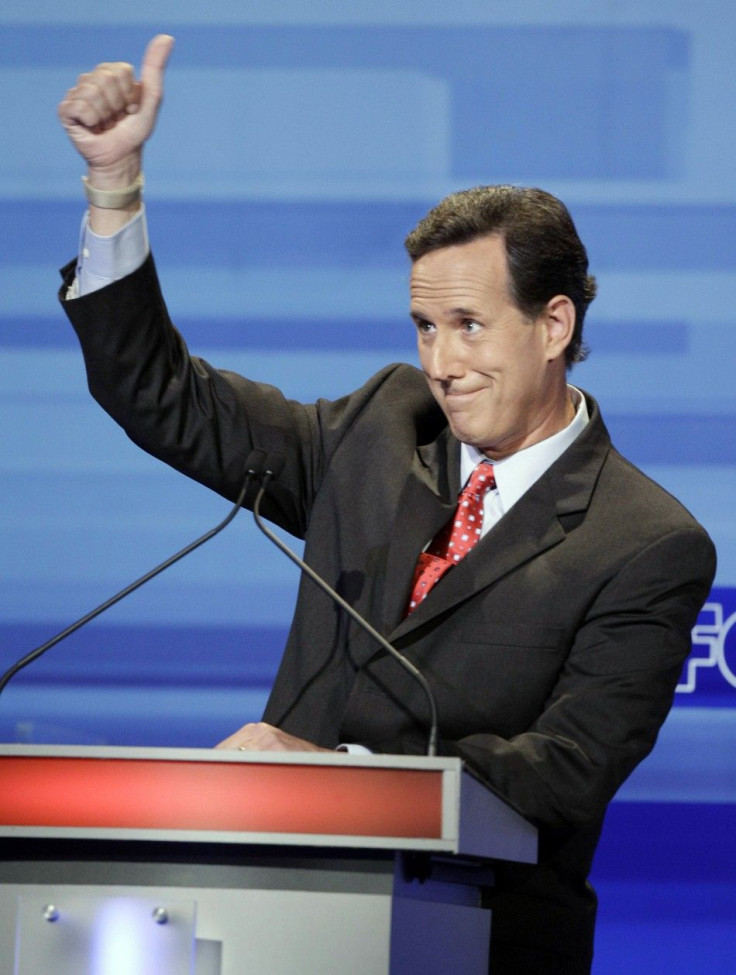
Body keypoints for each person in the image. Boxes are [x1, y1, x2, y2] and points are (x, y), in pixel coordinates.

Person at [57, 35, 716, 974]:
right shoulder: (380, 426)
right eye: (424, 326)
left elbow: (565, 768)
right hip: (269, 925)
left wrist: (347, 781)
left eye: (469, 326)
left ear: (556, 324)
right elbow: (163, 398)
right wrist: (114, 185)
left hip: (479, 941)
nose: (441, 364)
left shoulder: (646, 541)